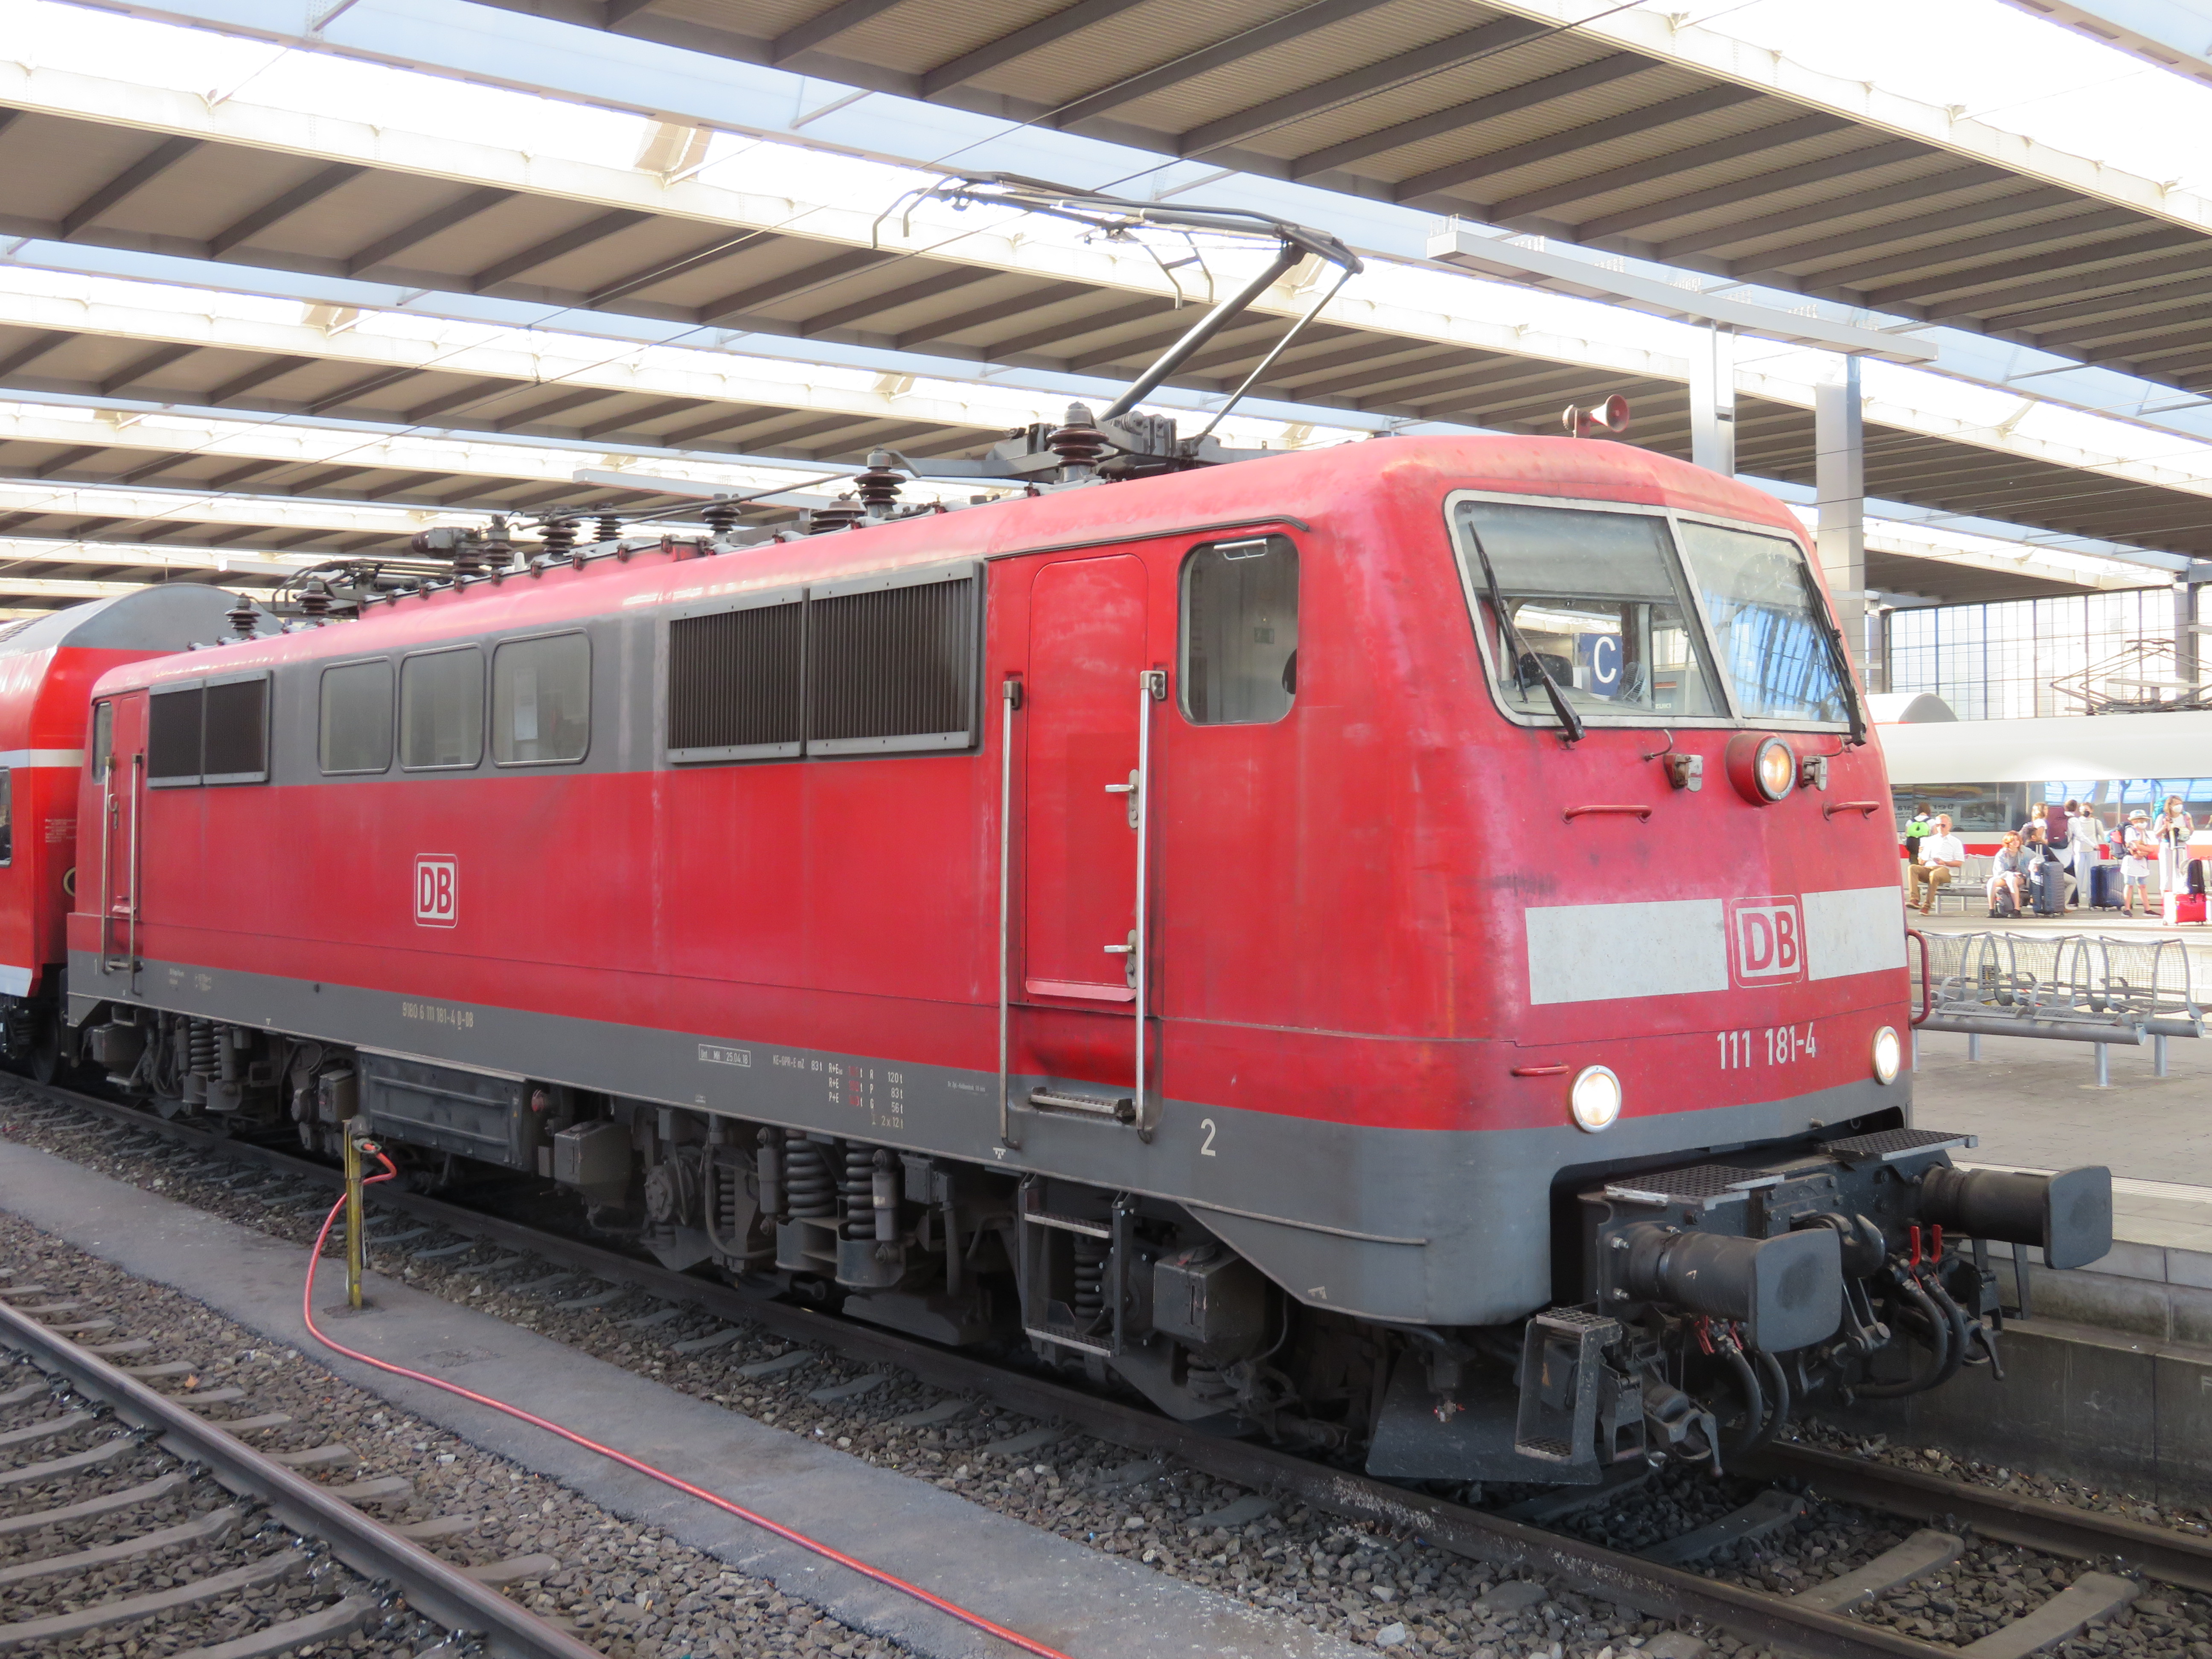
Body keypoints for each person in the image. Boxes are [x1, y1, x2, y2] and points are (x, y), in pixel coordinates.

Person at [1911, 814, 1965, 913]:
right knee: (1912, 868)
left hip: (1945, 870)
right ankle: (1914, 899)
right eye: (1938, 825)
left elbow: (1959, 863)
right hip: (1929, 868)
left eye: (1943, 825)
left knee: (1935, 874)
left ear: (1949, 826)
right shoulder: (1929, 840)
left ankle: (1927, 906)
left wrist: (1945, 863)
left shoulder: (1956, 842)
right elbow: (1921, 862)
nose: (1940, 828)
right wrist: (1921, 853)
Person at [2154, 795, 2194, 901]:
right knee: (2167, 873)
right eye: (2176, 804)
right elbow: (2156, 834)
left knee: (2182, 870)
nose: (2179, 806)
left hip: (2181, 846)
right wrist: (2165, 826)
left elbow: (2190, 832)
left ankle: (2180, 898)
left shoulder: (2185, 816)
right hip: (2167, 847)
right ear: (2170, 805)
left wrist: (2189, 823)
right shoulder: (2162, 817)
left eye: (2181, 804)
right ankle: (2166, 900)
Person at [2066, 798, 2102, 908]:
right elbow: (2073, 836)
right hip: (2079, 851)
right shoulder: (2076, 821)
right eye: (2082, 810)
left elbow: (2102, 835)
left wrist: (2108, 844)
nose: (2084, 812)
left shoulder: (2096, 822)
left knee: (2092, 876)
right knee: (2079, 876)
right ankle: (2075, 900)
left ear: (2092, 810)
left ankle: (2091, 900)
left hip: (2092, 851)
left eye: (2086, 809)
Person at [2122, 809, 2158, 917]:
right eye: (2140, 821)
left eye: (2144, 821)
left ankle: (2147, 909)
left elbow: (2144, 847)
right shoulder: (2130, 830)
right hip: (2131, 860)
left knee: (2143, 885)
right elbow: (2136, 845)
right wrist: (2150, 851)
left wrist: (2146, 852)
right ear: (2134, 821)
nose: (2143, 823)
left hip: (2142, 861)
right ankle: (2127, 909)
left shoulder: (2144, 832)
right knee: (2129, 884)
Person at [1988, 831, 2026, 915]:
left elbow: (2037, 858)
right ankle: (1991, 910)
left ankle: (2017, 909)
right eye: (2013, 840)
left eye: (2017, 840)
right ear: (2008, 842)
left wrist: (2034, 865)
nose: (2016, 842)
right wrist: (2010, 874)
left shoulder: (2024, 851)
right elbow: (1999, 871)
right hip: (2004, 876)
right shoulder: (2002, 854)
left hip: (2020, 877)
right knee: (1992, 882)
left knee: (2012, 880)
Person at [1903, 802, 1933, 867]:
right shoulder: (1932, 822)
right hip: (1926, 850)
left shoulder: (1910, 822)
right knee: (1927, 868)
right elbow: (1935, 836)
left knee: (1914, 868)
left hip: (1914, 849)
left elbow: (1906, 836)